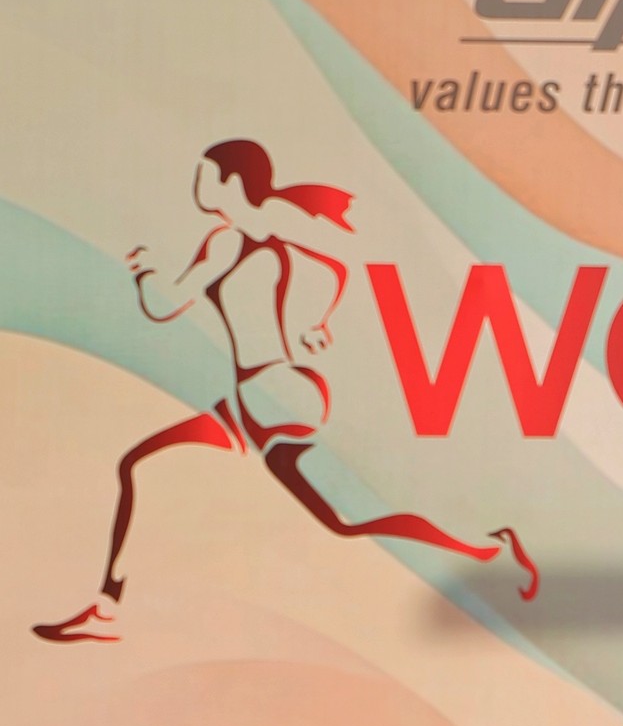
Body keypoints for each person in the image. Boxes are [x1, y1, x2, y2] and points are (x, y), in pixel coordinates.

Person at [34, 139, 535, 642]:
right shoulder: (266, 238)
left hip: (272, 394)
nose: (197, 185)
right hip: (261, 395)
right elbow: (335, 270)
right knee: (154, 468)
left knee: (332, 517)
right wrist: (318, 322)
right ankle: (488, 548)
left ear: (230, 183)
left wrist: (144, 273)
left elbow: (164, 307)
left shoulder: (227, 241)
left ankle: (488, 549)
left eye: (204, 175)